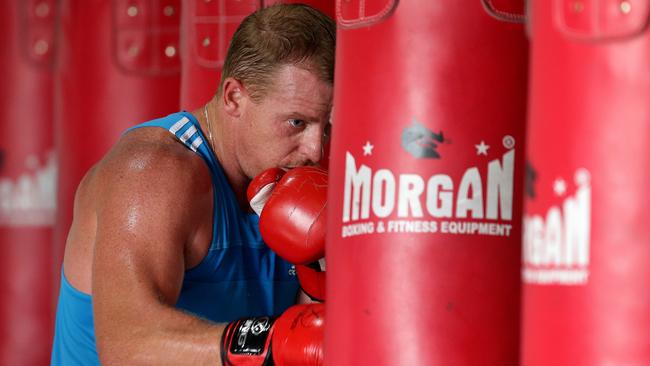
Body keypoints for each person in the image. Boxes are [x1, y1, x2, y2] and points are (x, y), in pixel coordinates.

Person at [51, 4, 335, 365]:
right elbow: (128, 346)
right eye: (297, 122)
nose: (315, 149)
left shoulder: (290, 186)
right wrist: (269, 342)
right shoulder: (154, 173)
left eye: (326, 126)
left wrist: (319, 280)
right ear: (234, 97)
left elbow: (309, 337)